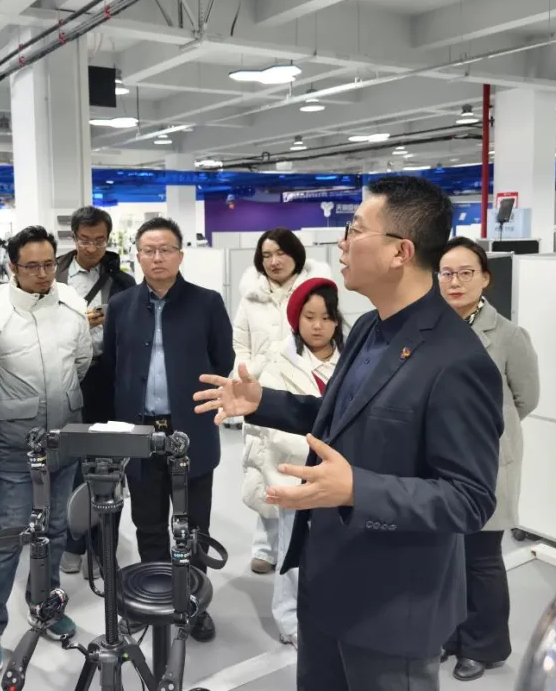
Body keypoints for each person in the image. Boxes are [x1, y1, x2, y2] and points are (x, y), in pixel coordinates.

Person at [194, 176, 504, 691]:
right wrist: (262, 402)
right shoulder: (368, 328)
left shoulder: (457, 361)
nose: (341, 244)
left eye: (356, 230)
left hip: (393, 606)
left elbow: (469, 499)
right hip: (327, 582)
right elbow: (342, 417)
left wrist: (359, 488)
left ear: (401, 252)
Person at [0, 225, 92, 677]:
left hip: (65, 439)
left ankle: (47, 608)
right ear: (12, 267)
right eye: (31, 266)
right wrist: (12, 409)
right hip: (15, 446)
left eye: (49, 264)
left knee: (54, 530)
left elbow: (81, 362)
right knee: (6, 537)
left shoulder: (72, 306)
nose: (42, 273)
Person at [100, 216, 234, 643]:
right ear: (137, 255)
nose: (157, 258)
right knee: (149, 522)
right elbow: (111, 366)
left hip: (189, 432)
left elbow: (223, 360)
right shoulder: (121, 305)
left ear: (180, 254)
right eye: (148, 250)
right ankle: (154, 598)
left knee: (194, 524)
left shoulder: (207, 302)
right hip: (140, 433)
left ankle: (192, 603)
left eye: (166, 250)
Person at [437, 237, 540, 682]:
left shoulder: (509, 336)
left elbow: (525, 398)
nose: (455, 282)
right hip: (439, 460)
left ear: (485, 278)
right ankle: (449, 634)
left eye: (466, 273)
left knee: (481, 557)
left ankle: (483, 645)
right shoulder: (430, 327)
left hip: (486, 462)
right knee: (445, 556)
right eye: (447, 273)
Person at [242, 277, 343, 646]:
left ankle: (330, 615)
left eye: (326, 317)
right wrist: (322, 448)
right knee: (292, 552)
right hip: (293, 473)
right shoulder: (277, 363)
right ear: (296, 319)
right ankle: (291, 622)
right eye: (309, 317)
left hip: (339, 476)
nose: (318, 326)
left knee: (334, 552)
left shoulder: (350, 362)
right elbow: (274, 427)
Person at [230, 227, 332, 576]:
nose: (273, 261)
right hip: (261, 391)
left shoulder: (314, 290)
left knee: (298, 465)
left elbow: (328, 333)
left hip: (301, 388)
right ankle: (265, 545)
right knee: (264, 464)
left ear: (296, 255)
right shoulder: (250, 297)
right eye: (266, 255)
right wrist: (247, 376)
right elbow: (240, 344)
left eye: (281, 253)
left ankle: (299, 544)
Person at [54, 206, 135, 580]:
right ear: (73, 237)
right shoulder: (52, 275)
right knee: (70, 464)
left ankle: (104, 550)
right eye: (85, 240)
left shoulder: (121, 280)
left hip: (107, 379)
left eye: (99, 240)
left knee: (108, 467)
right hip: (66, 376)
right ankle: (72, 543)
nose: (91, 248)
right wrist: (76, 322)